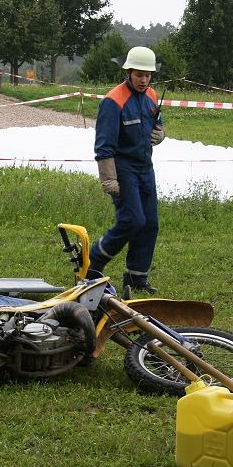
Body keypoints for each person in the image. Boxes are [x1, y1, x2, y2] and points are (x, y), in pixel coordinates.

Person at [88, 46, 166, 294]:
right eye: (139, 75)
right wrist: (109, 179)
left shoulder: (152, 95)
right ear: (128, 72)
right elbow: (103, 146)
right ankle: (94, 262)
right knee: (132, 219)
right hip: (123, 168)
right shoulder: (113, 102)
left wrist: (161, 133)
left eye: (148, 75)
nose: (144, 80)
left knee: (150, 223)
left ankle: (136, 277)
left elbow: (157, 121)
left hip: (146, 167)